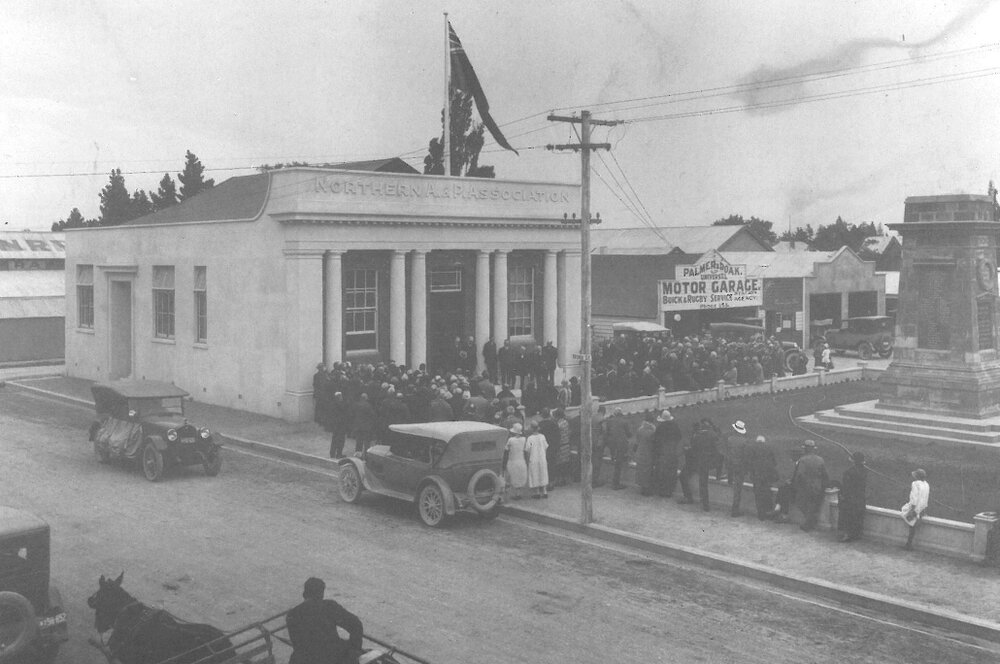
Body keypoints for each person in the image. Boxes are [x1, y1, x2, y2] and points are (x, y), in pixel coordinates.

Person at [287, 577, 363, 664]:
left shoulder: (292, 615)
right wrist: (354, 650)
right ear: (321, 594)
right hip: (333, 658)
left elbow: (297, 645)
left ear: (304, 594)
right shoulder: (329, 606)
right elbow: (356, 624)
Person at [679, 418, 717, 510]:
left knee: (683, 476)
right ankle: (705, 504)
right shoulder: (712, 435)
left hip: (694, 462)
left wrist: (686, 450)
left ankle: (688, 497)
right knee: (703, 483)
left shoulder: (697, 437)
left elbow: (693, 450)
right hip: (704, 462)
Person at [792, 440, 828, 531]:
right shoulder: (820, 459)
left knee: (802, 504)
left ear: (805, 449)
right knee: (813, 505)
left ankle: (808, 524)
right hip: (817, 486)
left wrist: (795, 485)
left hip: (805, 487)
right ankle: (811, 523)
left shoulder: (802, 460)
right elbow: (825, 475)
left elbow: (799, 475)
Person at [838, 451, 868, 542]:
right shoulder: (865, 471)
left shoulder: (849, 472)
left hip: (850, 498)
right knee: (858, 516)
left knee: (847, 516)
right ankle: (857, 534)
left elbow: (846, 486)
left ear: (853, 461)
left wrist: (842, 496)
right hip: (860, 497)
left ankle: (847, 535)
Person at [652, 409, 682, 497]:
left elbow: (656, 441)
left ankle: (662, 490)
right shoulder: (675, 426)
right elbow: (679, 437)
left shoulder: (660, 427)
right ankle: (669, 491)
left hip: (663, 453)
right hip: (672, 452)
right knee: (671, 472)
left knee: (662, 472)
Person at [748, 434, 779, 520]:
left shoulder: (752, 448)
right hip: (766, 475)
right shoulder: (769, 448)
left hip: (757, 475)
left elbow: (750, 462)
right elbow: (774, 463)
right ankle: (768, 512)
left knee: (758, 495)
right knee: (766, 493)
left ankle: (761, 514)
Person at [604, 407, 633, 490]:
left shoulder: (610, 421)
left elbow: (607, 432)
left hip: (612, 444)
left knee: (615, 460)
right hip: (621, 444)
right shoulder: (624, 422)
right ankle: (616, 483)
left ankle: (614, 480)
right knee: (619, 464)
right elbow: (629, 434)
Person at [727, 420, 751, 516]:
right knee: (738, 488)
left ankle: (735, 509)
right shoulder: (744, 442)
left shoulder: (730, 439)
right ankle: (735, 510)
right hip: (739, 466)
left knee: (735, 486)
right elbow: (746, 456)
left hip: (731, 465)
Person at [902, 468, 930, 550]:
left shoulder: (915, 484)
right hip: (922, 508)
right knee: (913, 525)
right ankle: (909, 543)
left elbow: (914, 498)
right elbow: (926, 498)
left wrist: (912, 510)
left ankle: (909, 544)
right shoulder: (926, 484)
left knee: (908, 518)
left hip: (915, 507)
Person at [634, 411, 658, 496]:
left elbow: (636, 442)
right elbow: (655, 443)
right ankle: (647, 489)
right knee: (648, 471)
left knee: (641, 471)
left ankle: (643, 488)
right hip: (648, 453)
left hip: (640, 452)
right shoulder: (652, 431)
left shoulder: (640, 429)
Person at [503, 423, 528, 500]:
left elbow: (506, 449)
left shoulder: (511, 440)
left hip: (513, 460)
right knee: (520, 476)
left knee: (513, 476)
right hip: (521, 459)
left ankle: (515, 493)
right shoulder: (524, 439)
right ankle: (518, 493)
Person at [524, 421, 549, 499]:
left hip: (533, 458)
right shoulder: (542, 436)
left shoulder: (530, 438)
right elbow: (546, 447)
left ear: (531, 428)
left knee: (535, 473)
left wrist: (528, 460)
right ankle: (544, 491)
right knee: (543, 472)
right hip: (542, 457)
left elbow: (528, 450)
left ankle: (537, 492)